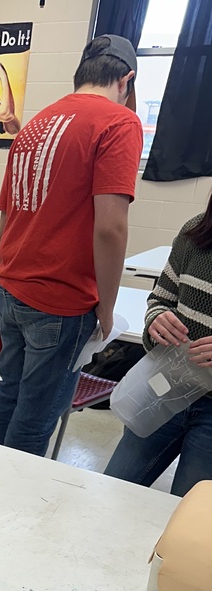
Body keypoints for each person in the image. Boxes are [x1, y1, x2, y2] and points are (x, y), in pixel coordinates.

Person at [0, 35, 143, 456]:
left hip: (13, 288)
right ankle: (6, 509)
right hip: (60, 301)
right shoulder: (119, 122)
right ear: (126, 79)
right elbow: (111, 228)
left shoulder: (34, 123)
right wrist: (106, 307)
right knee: (35, 419)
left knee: (8, 395)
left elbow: (8, 215)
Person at [103, 197, 212, 496]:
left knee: (187, 522)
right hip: (167, 388)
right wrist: (157, 319)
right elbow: (161, 298)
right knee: (115, 493)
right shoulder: (197, 233)